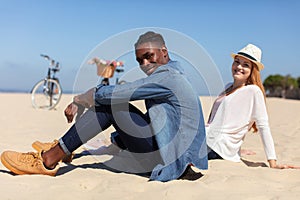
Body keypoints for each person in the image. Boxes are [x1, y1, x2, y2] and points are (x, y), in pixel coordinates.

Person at [0, 31, 208, 181]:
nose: (145, 64)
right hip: (173, 153)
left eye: (149, 56)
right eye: (139, 60)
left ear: (164, 52)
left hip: (171, 162)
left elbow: (115, 94)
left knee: (110, 104)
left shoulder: (168, 77)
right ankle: (65, 146)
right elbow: (162, 117)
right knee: (110, 103)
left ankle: (48, 159)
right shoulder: (174, 72)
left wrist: (82, 97)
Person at [205, 43, 299, 169]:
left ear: (252, 70)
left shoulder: (253, 91)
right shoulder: (227, 86)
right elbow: (225, 122)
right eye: (236, 62)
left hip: (215, 146)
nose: (239, 67)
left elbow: (263, 126)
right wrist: (237, 150)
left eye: (245, 65)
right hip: (208, 139)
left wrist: (273, 162)